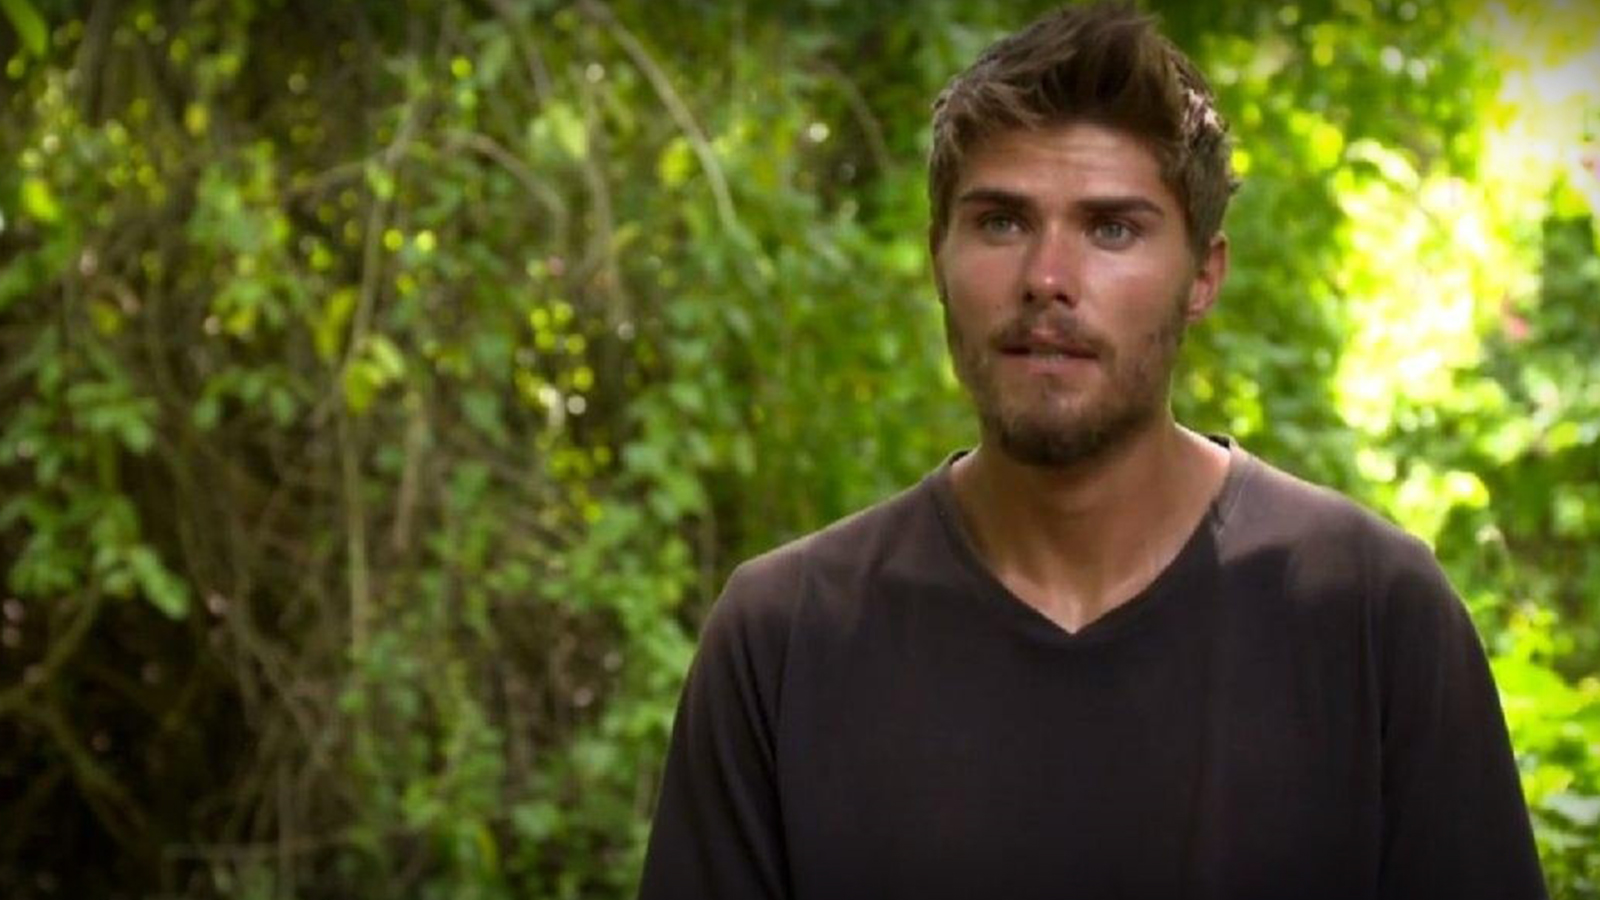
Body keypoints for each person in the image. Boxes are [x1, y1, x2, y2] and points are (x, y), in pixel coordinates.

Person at [636, 4, 1549, 898]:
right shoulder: (785, 639)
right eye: (1001, 222)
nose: (1047, 279)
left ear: (1203, 277)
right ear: (938, 257)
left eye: (1112, 228)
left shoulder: (1372, 617)